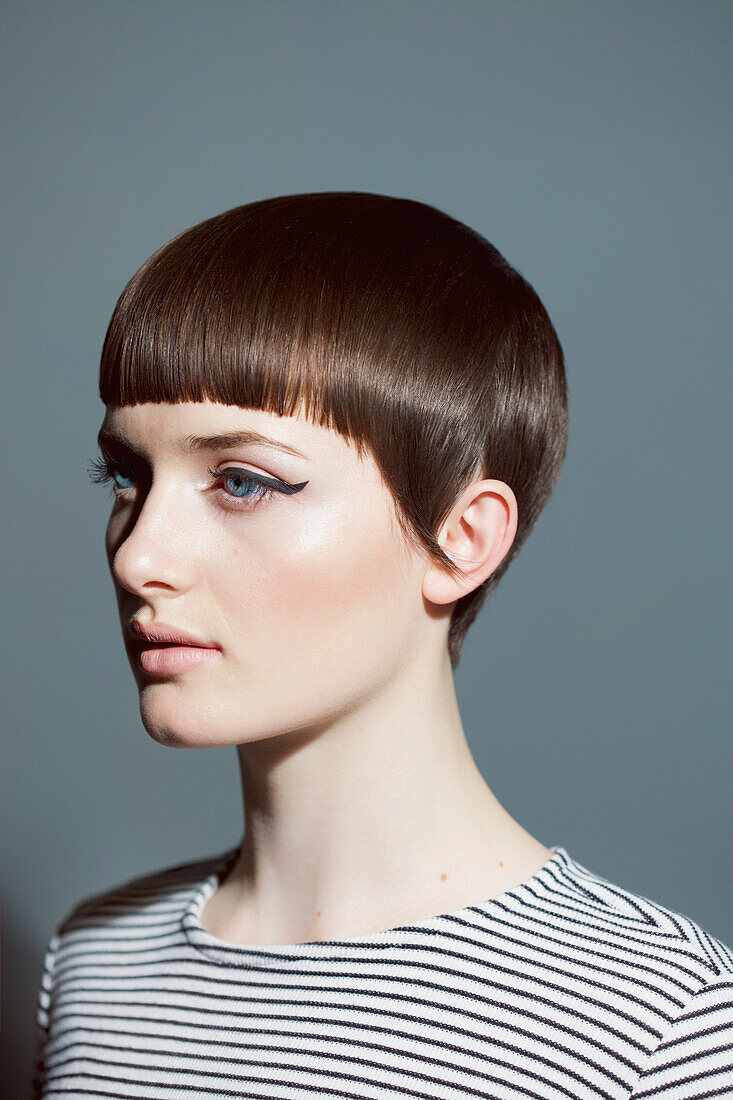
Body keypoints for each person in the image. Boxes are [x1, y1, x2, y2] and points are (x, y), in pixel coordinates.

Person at [32, 192, 732, 1099]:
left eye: (243, 481)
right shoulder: (96, 967)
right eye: (126, 476)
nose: (140, 554)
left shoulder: (660, 1025)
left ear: (461, 537)